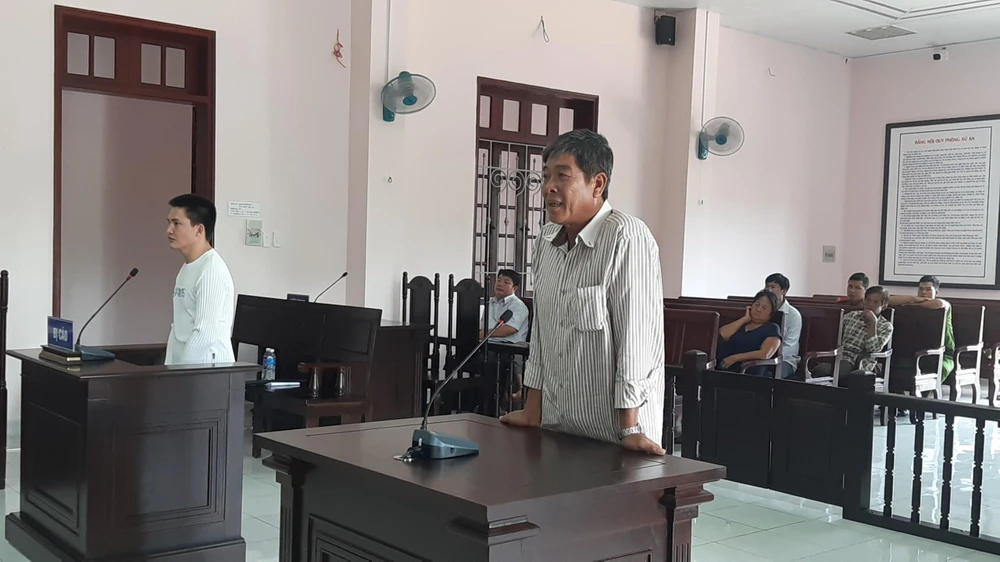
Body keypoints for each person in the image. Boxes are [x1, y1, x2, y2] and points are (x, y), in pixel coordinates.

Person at [500, 129, 666, 455]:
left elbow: (636, 338)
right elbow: (542, 332)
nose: (549, 187)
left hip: (613, 434)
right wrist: (533, 410)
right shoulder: (546, 240)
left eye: (562, 176)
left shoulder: (625, 236)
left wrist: (629, 427)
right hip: (557, 426)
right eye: (546, 176)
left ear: (598, 184)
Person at [164, 194, 236, 366]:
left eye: (177, 223)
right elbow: (179, 328)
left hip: (207, 369)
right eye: (169, 223)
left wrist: (182, 374)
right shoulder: (188, 266)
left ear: (199, 230)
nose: (169, 230)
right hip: (185, 368)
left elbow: (205, 333)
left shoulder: (211, 271)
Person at [812, 286, 893, 386]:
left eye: (875, 302)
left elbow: (872, 349)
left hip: (860, 361)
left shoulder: (886, 326)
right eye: (868, 300)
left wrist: (872, 323)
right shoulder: (851, 316)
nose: (870, 305)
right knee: (816, 367)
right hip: (839, 355)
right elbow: (834, 336)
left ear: (883, 306)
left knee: (825, 370)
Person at [889, 275, 954, 380]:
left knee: (939, 368)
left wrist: (914, 304)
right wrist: (913, 298)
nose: (923, 292)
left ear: (936, 292)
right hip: (912, 352)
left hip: (942, 354)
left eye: (928, 289)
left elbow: (939, 303)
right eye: (921, 289)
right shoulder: (915, 302)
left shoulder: (944, 306)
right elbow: (888, 300)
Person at [716, 290, 783, 376]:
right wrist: (744, 319)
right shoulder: (742, 324)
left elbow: (765, 354)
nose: (758, 309)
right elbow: (722, 335)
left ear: (771, 313)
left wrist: (735, 358)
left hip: (749, 371)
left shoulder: (772, 328)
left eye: (764, 308)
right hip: (723, 366)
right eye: (757, 305)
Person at [764, 273, 801, 378]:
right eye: (767, 286)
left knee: (768, 375)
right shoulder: (762, 310)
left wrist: (767, 353)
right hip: (762, 355)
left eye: (773, 287)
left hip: (785, 360)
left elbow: (790, 346)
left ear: (783, 291)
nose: (768, 290)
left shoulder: (793, 315)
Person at [480, 269, 529, 343]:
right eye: (499, 280)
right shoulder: (490, 302)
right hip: (486, 343)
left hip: (508, 346)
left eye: (506, 282)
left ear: (514, 288)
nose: (500, 284)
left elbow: (509, 330)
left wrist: (484, 334)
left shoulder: (518, 305)